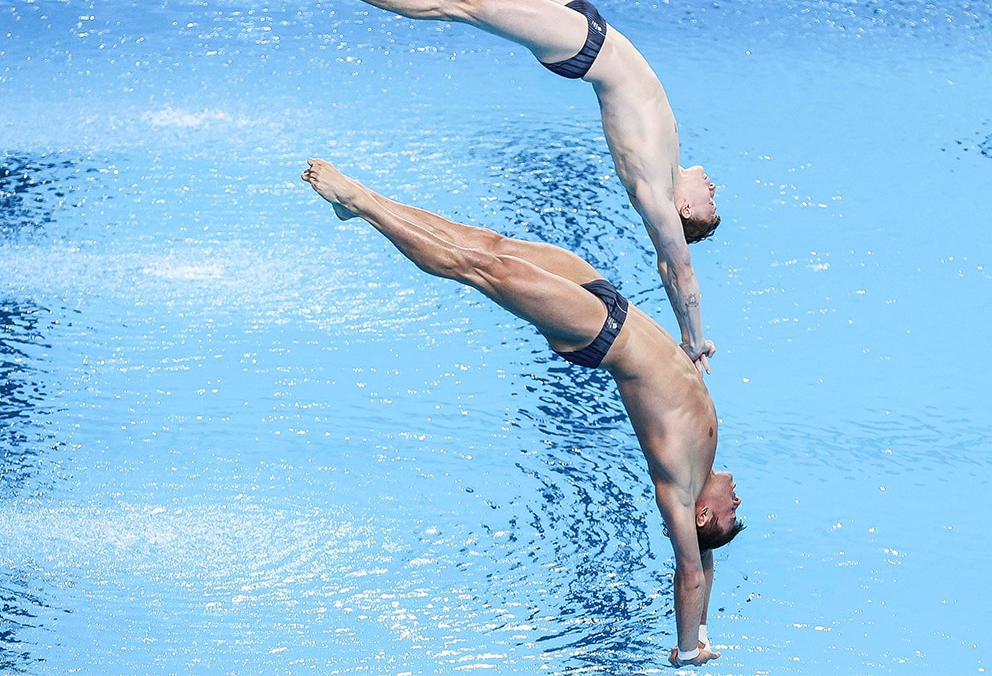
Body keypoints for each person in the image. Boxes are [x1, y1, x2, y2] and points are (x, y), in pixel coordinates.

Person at [299, 157, 743, 666]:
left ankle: (361, 202)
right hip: (608, 300)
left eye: (733, 514)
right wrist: (705, 628)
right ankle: (362, 207)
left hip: (600, 332)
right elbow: (705, 565)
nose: (738, 499)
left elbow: (690, 567)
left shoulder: (679, 488)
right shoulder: (702, 465)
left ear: (703, 514)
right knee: (489, 245)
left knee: (482, 269)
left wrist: (689, 651)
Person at [268, 0, 720, 372]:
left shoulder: (656, 195)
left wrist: (694, 339)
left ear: (684, 211)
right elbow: (671, 263)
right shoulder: (670, 163)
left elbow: (677, 269)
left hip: (587, 45)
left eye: (710, 207)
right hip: (585, 22)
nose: (714, 191)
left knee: (463, 2)